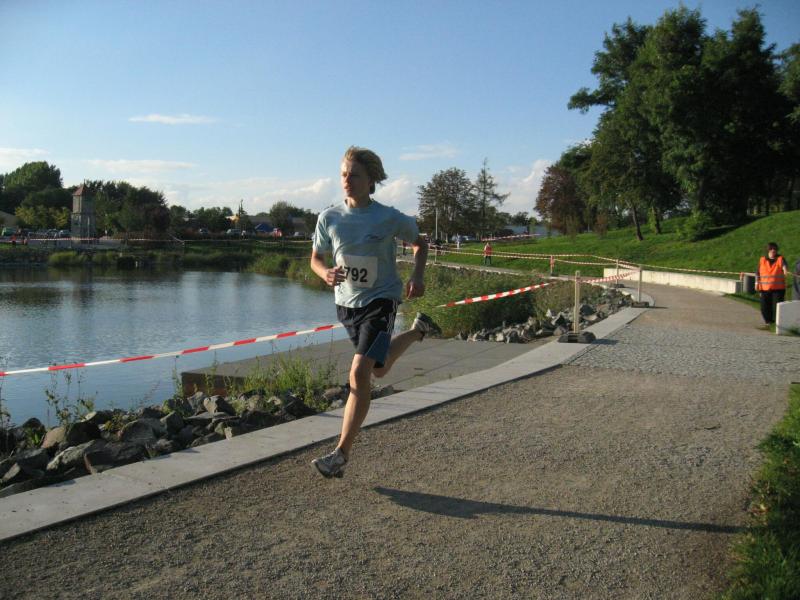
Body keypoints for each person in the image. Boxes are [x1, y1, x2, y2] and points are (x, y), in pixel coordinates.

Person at [309, 146, 441, 478]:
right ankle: (418, 330)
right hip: (347, 305)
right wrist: (324, 273)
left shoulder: (388, 217)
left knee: (358, 373)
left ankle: (340, 455)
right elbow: (316, 259)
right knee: (378, 370)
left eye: (354, 175)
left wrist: (418, 276)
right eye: (343, 174)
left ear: (371, 181)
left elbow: (420, 243)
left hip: (381, 300)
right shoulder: (329, 218)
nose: (347, 180)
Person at [755, 242, 790, 325]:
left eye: (775, 249)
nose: (773, 250)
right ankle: (768, 322)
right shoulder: (762, 260)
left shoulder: (780, 259)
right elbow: (757, 272)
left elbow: (784, 267)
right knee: (764, 307)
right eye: (771, 249)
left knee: (776, 307)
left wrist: (785, 270)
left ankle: (777, 323)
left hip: (778, 289)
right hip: (764, 288)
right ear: (767, 250)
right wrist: (756, 283)